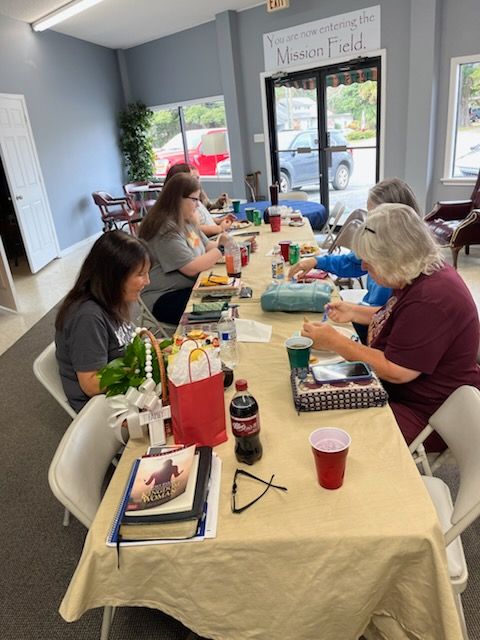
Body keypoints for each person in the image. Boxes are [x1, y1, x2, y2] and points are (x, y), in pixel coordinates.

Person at [301, 204, 480, 451]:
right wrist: (354, 311)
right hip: (409, 395)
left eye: (369, 262)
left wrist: (336, 342)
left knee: (337, 428)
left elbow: (398, 370)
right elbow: (402, 317)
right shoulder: (421, 273)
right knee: (320, 393)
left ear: (396, 257)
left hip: (430, 412)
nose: (364, 268)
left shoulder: (432, 299)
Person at [289, 178, 421, 343]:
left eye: (373, 216)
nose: (364, 265)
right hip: (370, 320)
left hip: (377, 332)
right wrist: (317, 261)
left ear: (395, 219)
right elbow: (353, 262)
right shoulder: (383, 246)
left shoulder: (412, 279)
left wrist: (342, 339)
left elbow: (391, 325)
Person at [55, 231, 151, 412]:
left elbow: (127, 342)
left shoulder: (111, 300)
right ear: (114, 276)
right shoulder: (87, 317)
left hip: (124, 394)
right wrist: (138, 364)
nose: (147, 281)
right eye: (140, 274)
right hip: (104, 409)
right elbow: (92, 385)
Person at [139, 172, 229, 325]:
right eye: (194, 199)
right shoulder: (165, 229)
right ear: (177, 199)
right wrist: (221, 249)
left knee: (227, 299)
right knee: (223, 311)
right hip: (163, 298)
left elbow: (207, 246)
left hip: (186, 288)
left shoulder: (186, 221)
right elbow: (191, 268)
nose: (198, 205)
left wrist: (235, 246)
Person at [164, 162, 234, 236]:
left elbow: (203, 243)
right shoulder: (176, 224)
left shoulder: (192, 200)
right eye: (192, 178)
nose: (197, 204)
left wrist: (220, 221)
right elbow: (196, 232)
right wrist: (220, 228)